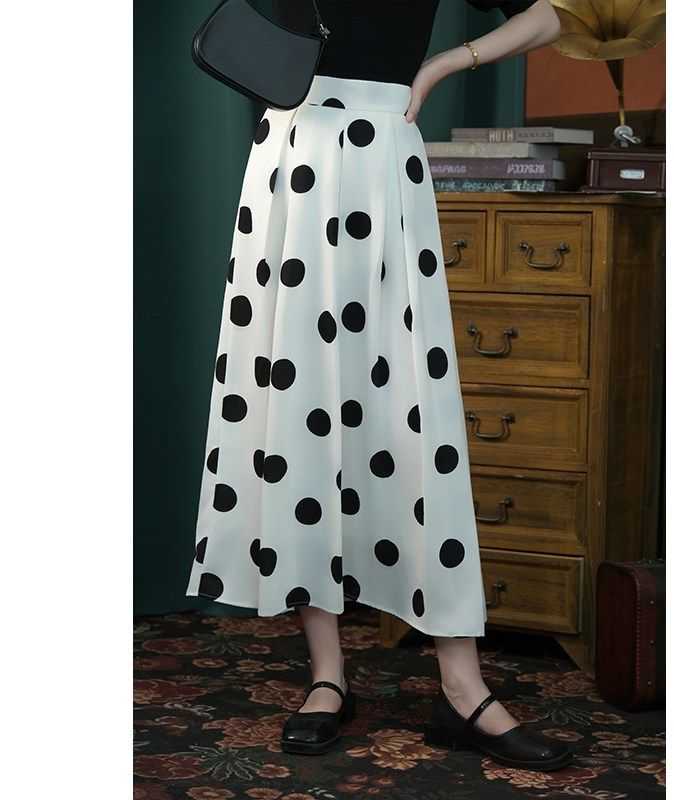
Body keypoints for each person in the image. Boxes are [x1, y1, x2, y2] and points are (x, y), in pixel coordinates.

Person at [185, 0, 572, 771]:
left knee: (411, 414)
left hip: (384, 160)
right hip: (292, 158)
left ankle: (462, 685)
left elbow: (555, 15)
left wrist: (444, 64)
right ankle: (327, 675)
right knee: (298, 408)